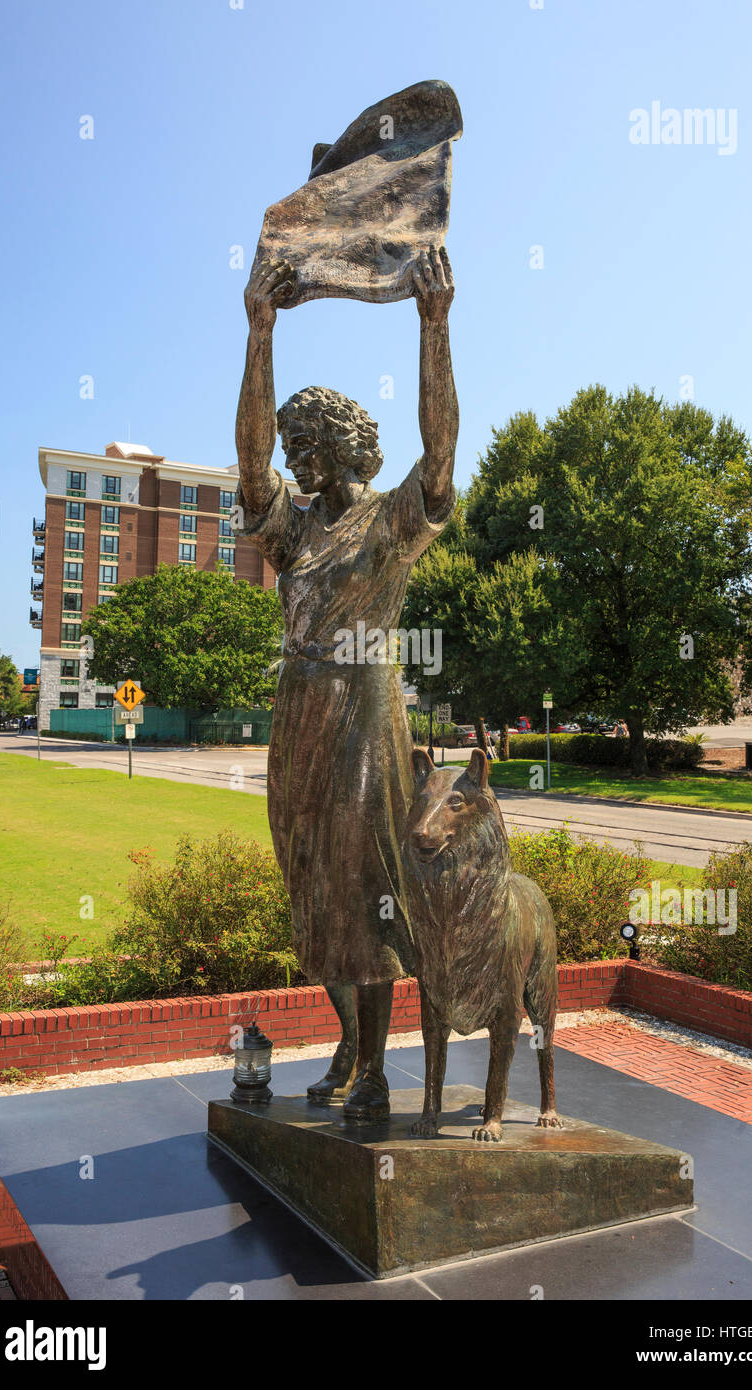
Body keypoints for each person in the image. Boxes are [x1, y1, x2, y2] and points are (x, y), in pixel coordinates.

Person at [235, 246, 458, 1121]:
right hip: (300, 709)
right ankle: (349, 1043)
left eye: (302, 447)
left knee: (364, 881)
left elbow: (440, 448)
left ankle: (372, 1063)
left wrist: (432, 327)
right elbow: (248, 463)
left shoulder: (392, 520)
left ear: (336, 446)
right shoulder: (291, 533)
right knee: (311, 884)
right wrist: (261, 333)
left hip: (366, 705)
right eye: (289, 445)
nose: (289, 461)